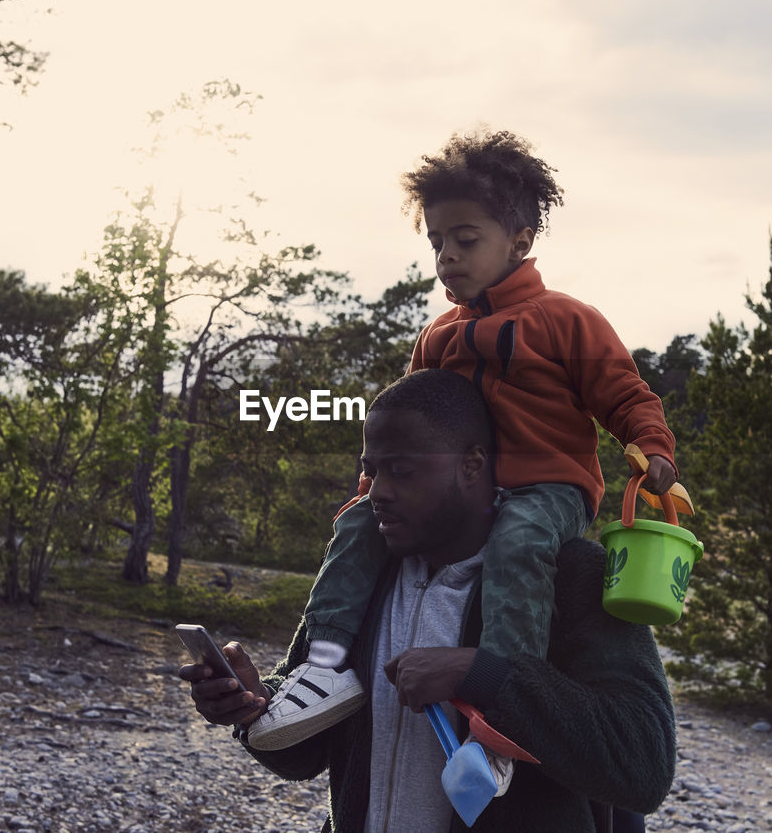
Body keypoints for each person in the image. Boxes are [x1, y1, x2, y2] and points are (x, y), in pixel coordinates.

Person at [245, 129, 680, 772]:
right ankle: (324, 671)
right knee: (356, 525)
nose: (447, 256)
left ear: (521, 241)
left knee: (520, 542)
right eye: (437, 242)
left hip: (547, 489)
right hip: (461, 498)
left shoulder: (568, 320)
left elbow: (625, 393)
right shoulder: (438, 335)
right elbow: (409, 420)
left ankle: (503, 701)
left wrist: (651, 446)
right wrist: (374, 489)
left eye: (465, 239)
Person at [181, 369, 676, 832]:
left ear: (471, 464)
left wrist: (481, 675)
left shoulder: (572, 576)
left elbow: (643, 764)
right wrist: (255, 707)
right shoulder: (359, 579)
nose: (378, 492)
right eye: (371, 471)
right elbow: (311, 755)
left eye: (402, 471)